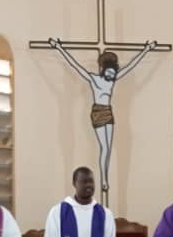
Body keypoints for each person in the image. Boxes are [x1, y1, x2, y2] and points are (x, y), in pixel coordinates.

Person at [48, 38, 157, 195]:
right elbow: (74, 65)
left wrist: (147, 49)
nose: (112, 76)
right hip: (98, 112)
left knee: (109, 148)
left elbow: (132, 65)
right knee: (104, 147)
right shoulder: (94, 79)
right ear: (102, 70)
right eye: (109, 73)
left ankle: (105, 178)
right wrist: (58, 47)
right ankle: (104, 179)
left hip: (108, 111)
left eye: (113, 73)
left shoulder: (113, 80)